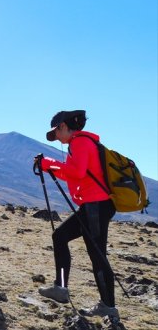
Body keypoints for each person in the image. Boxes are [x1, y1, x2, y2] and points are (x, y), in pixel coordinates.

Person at [35, 110, 118, 318]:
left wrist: (48, 164)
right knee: (60, 236)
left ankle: (108, 307)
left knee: (97, 255)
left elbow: (77, 173)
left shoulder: (80, 142)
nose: (57, 139)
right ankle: (61, 288)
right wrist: (48, 166)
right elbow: (75, 173)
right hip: (93, 206)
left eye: (56, 133)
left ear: (63, 126)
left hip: (95, 206)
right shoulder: (84, 143)